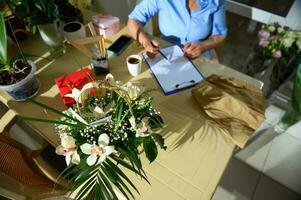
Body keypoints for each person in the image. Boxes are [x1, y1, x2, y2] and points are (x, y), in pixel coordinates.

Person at [127, 0, 227, 59]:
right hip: (164, 55)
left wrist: (202, 46)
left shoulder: (217, 1)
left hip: (200, 57)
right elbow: (134, 20)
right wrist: (145, 41)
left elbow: (219, 35)